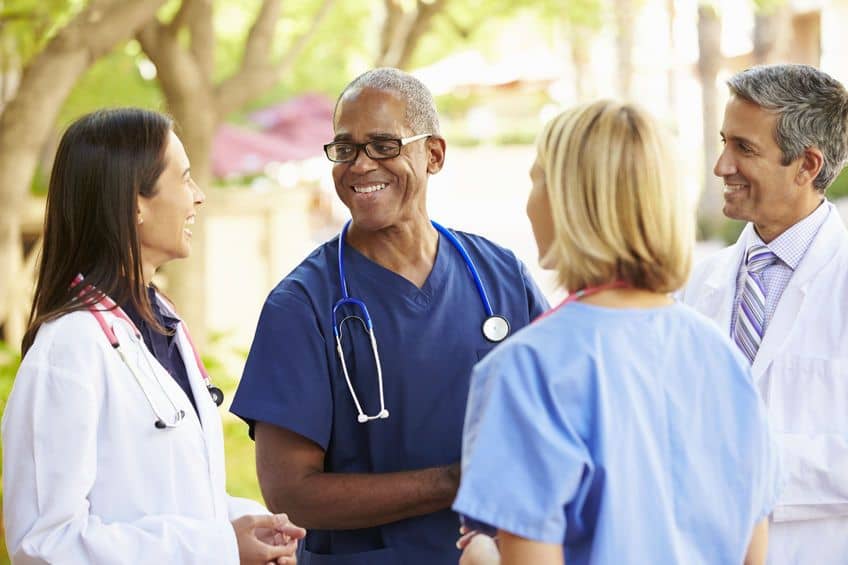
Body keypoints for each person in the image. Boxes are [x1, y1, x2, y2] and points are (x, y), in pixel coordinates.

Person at [229, 67, 549, 564]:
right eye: (345, 148)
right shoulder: (303, 304)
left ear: (434, 154)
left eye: (383, 145)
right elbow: (290, 492)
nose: (359, 166)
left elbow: (555, 425)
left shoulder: (500, 277)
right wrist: (454, 481)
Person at [452, 100, 782, 564]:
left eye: (536, 179)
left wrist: (484, 554)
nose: (530, 201)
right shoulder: (721, 355)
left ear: (570, 198)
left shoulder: (527, 368)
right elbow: (754, 553)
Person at [2, 108, 305, 564]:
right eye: (184, 179)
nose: (198, 197)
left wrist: (243, 526)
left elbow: (166, 496)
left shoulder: (162, 324)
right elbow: (43, 544)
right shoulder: (69, 350)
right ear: (134, 202)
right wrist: (218, 547)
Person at [680, 64, 848, 563]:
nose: (721, 166)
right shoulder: (697, 285)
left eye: (744, 149)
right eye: (723, 142)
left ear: (807, 165)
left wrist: (741, 461)